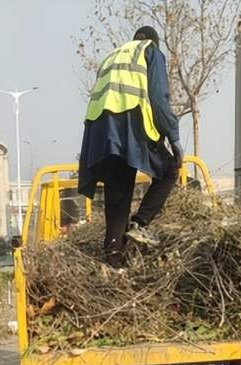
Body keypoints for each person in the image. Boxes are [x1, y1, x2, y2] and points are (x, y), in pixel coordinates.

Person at [78, 26, 184, 268]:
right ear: (153, 41)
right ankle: (140, 224)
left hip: (99, 131)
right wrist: (173, 137)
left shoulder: (112, 56)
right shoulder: (151, 51)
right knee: (169, 169)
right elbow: (157, 99)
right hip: (129, 123)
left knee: (118, 190)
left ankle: (113, 257)